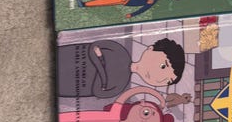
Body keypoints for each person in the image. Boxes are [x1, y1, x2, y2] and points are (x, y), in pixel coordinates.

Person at [57, 37, 186, 98]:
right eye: (163, 66)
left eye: (166, 81)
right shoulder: (119, 51)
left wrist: (100, 61)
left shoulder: (121, 85)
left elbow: (98, 92)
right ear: (150, 49)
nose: (159, 79)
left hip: (70, 86)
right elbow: (93, 48)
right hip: (68, 57)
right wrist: (102, 79)